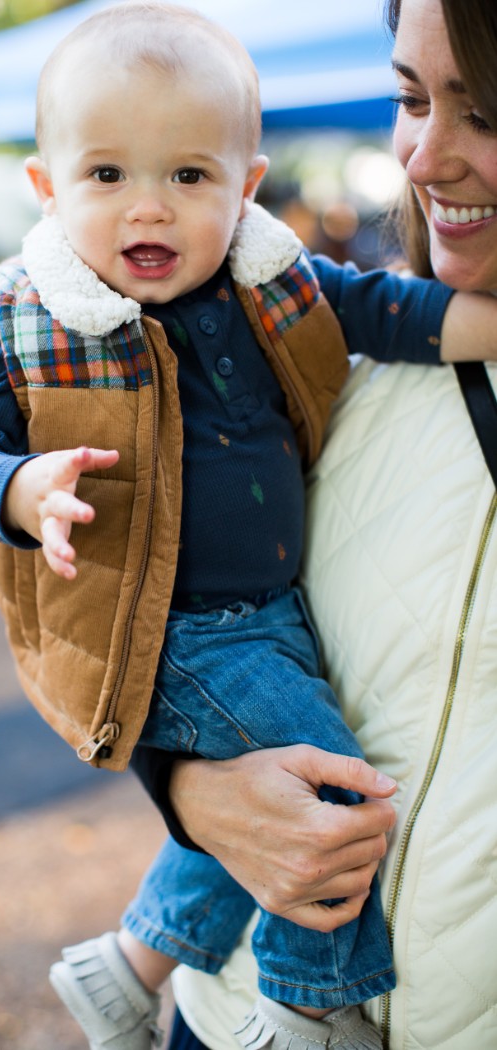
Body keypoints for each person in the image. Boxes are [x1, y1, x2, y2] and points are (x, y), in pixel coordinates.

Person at [0, 4, 497, 1049]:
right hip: (185, 636)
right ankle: (309, 1000)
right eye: (107, 177)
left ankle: (130, 961)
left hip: (266, 620)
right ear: (46, 191)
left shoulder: (276, 293)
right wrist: (22, 491)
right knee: (323, 780)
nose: (149, 209)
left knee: (292, 774)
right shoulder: (37, 318)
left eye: (188, 177)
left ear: (245, 186)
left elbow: (396, 311)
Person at [154, 0, 497, 1047]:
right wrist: (186, 792)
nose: (422, 155)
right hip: (235, 1019)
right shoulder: (328, 354)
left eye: (481, 110)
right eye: (407, 96)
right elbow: (152, 602)